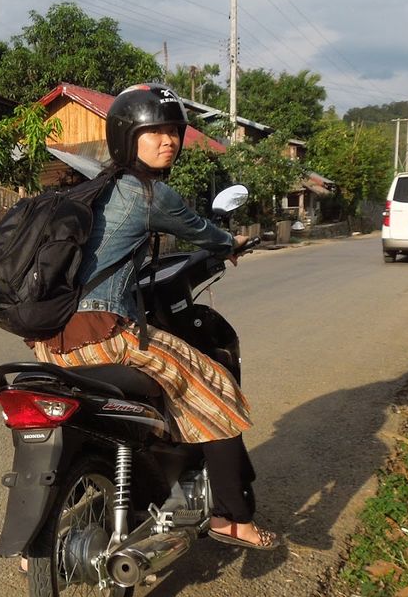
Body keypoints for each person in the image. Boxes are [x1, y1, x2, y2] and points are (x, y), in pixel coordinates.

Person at [30, 83, 279, 550]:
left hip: (50, 336)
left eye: (173, 131)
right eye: (155, 131)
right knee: (216, 389)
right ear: (128, 137)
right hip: (104, 335)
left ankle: (39, 546)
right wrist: (233, 244)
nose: (168, 141)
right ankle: (232, 518)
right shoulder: (149, 194)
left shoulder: (92, 188)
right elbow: (202, 232)